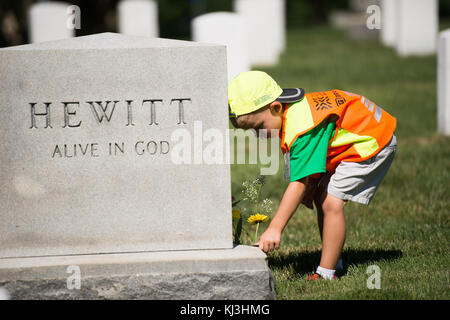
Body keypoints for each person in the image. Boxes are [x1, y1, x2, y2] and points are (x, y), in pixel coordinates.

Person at [228, 71, 397, 280]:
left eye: (259, 127)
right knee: (321, 196)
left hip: (372, 142)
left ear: (276, 107)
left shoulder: (303, 128)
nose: (258, 135)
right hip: (355, 143)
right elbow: (308, 175)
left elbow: (298, 183)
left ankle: (326, 273)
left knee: (331, 202)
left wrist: (274, 229)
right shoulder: (292, 115)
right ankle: (333, 260)